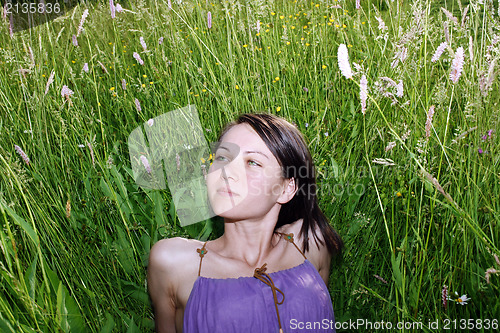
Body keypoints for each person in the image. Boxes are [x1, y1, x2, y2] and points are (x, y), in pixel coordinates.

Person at [147, 113, 343, 333]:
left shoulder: (311, 242)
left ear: (286, 188)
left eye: (252, 162)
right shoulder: (173, 263)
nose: (226, 172)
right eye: (222, 158)